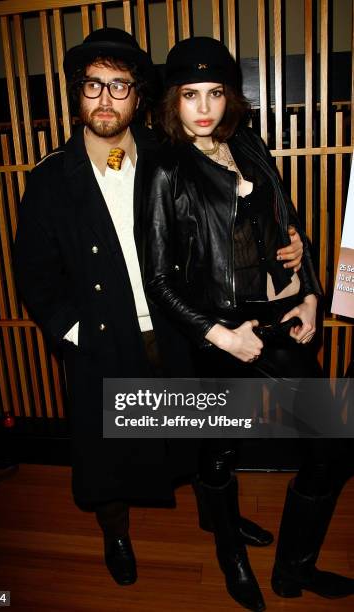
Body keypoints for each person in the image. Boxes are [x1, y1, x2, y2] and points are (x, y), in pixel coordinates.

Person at [13, 28, 303, 588]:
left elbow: (233, 221)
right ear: (77, 94)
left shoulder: (171, 156)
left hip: (180, 325)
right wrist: (72, 332)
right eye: (92, 85)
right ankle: (116, 536)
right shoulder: (51, 177)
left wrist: (291, 248)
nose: (104, 98)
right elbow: (34, 271)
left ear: (139, 96)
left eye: (118, 86)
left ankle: (214, 516)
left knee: (197, 435)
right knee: (107, 458)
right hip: (104, 336)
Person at [145, 36, 354, 611]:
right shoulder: (165, 168)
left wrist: (308, 293)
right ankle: (231, 555)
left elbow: (289, 231)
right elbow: (158, 280)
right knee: (218, 449)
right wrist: (220, 335)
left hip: (275, 317)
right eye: (191, 94)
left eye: (215, 93)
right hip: (216, 329)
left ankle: (293, 570)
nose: (205, 107)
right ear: (173, 100)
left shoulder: (248, 145)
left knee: (332, 445)